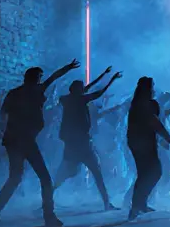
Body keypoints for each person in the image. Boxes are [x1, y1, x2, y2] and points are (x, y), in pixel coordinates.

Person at [0, 59, 79, 227]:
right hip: (24, 140)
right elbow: (53, 78)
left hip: (14, 139)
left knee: (15, 177)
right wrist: (68, 67)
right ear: (35, 78)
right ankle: (49, 218)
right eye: (39, 77)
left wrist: (4, 132)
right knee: (44, 178)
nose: (41, 80)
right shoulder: (36, 91)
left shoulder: (14, 93)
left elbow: (2, 113)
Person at [53, 66, 123, 210]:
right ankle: (106, 203)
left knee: (66, 172)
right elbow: (98, 92)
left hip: (72, 143)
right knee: (95, 173)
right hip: (83, 144)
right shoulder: (80, 100)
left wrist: (103, 73)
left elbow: (87, 90)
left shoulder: (65, 99)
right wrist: (111, 79)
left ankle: (46, 200)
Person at [127, 77, 170, 219]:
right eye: (153, 86)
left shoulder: (136, 103)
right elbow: (155, 123)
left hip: (138, 141)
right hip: (143, 142)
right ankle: (136, 206)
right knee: (153, 172)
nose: (154, 89)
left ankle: (139, 204)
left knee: (146, 173)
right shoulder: (146, 104)